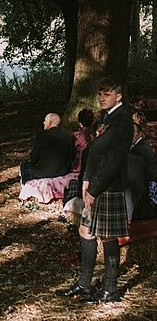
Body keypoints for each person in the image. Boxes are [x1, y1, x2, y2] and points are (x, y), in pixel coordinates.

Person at [56, 77, 132, 304]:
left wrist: (95, 188)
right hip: (94, 183)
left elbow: (114, 161)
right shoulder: (106, 118)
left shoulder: (123, 121)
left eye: (106, 94)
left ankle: (110, 290)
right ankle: (84, 283)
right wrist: (86, 179)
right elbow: (94, 152)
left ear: (118, 96)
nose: (101, 98)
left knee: (108, 238)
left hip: (108, 186)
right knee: (85, 232)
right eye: (100, 94)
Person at [20, 113, 74, 184]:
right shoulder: (68, 136)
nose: (43, 122)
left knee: (24, 165)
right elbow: (71, 156)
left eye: (45, 120)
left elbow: (33, 157)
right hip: (62, 171)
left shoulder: (42, 135)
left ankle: (27, 187)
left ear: (50, 122)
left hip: (43, 172)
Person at [127, 116, 157, 220]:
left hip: (144, 184)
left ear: (140, 134)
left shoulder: (141, 148)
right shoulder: (137, 146)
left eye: (133, 132)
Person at [72, 109, 95, 173]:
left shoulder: (76, 135)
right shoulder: (96, 134)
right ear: (92, 121)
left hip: (78, 168)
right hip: (93, 168)